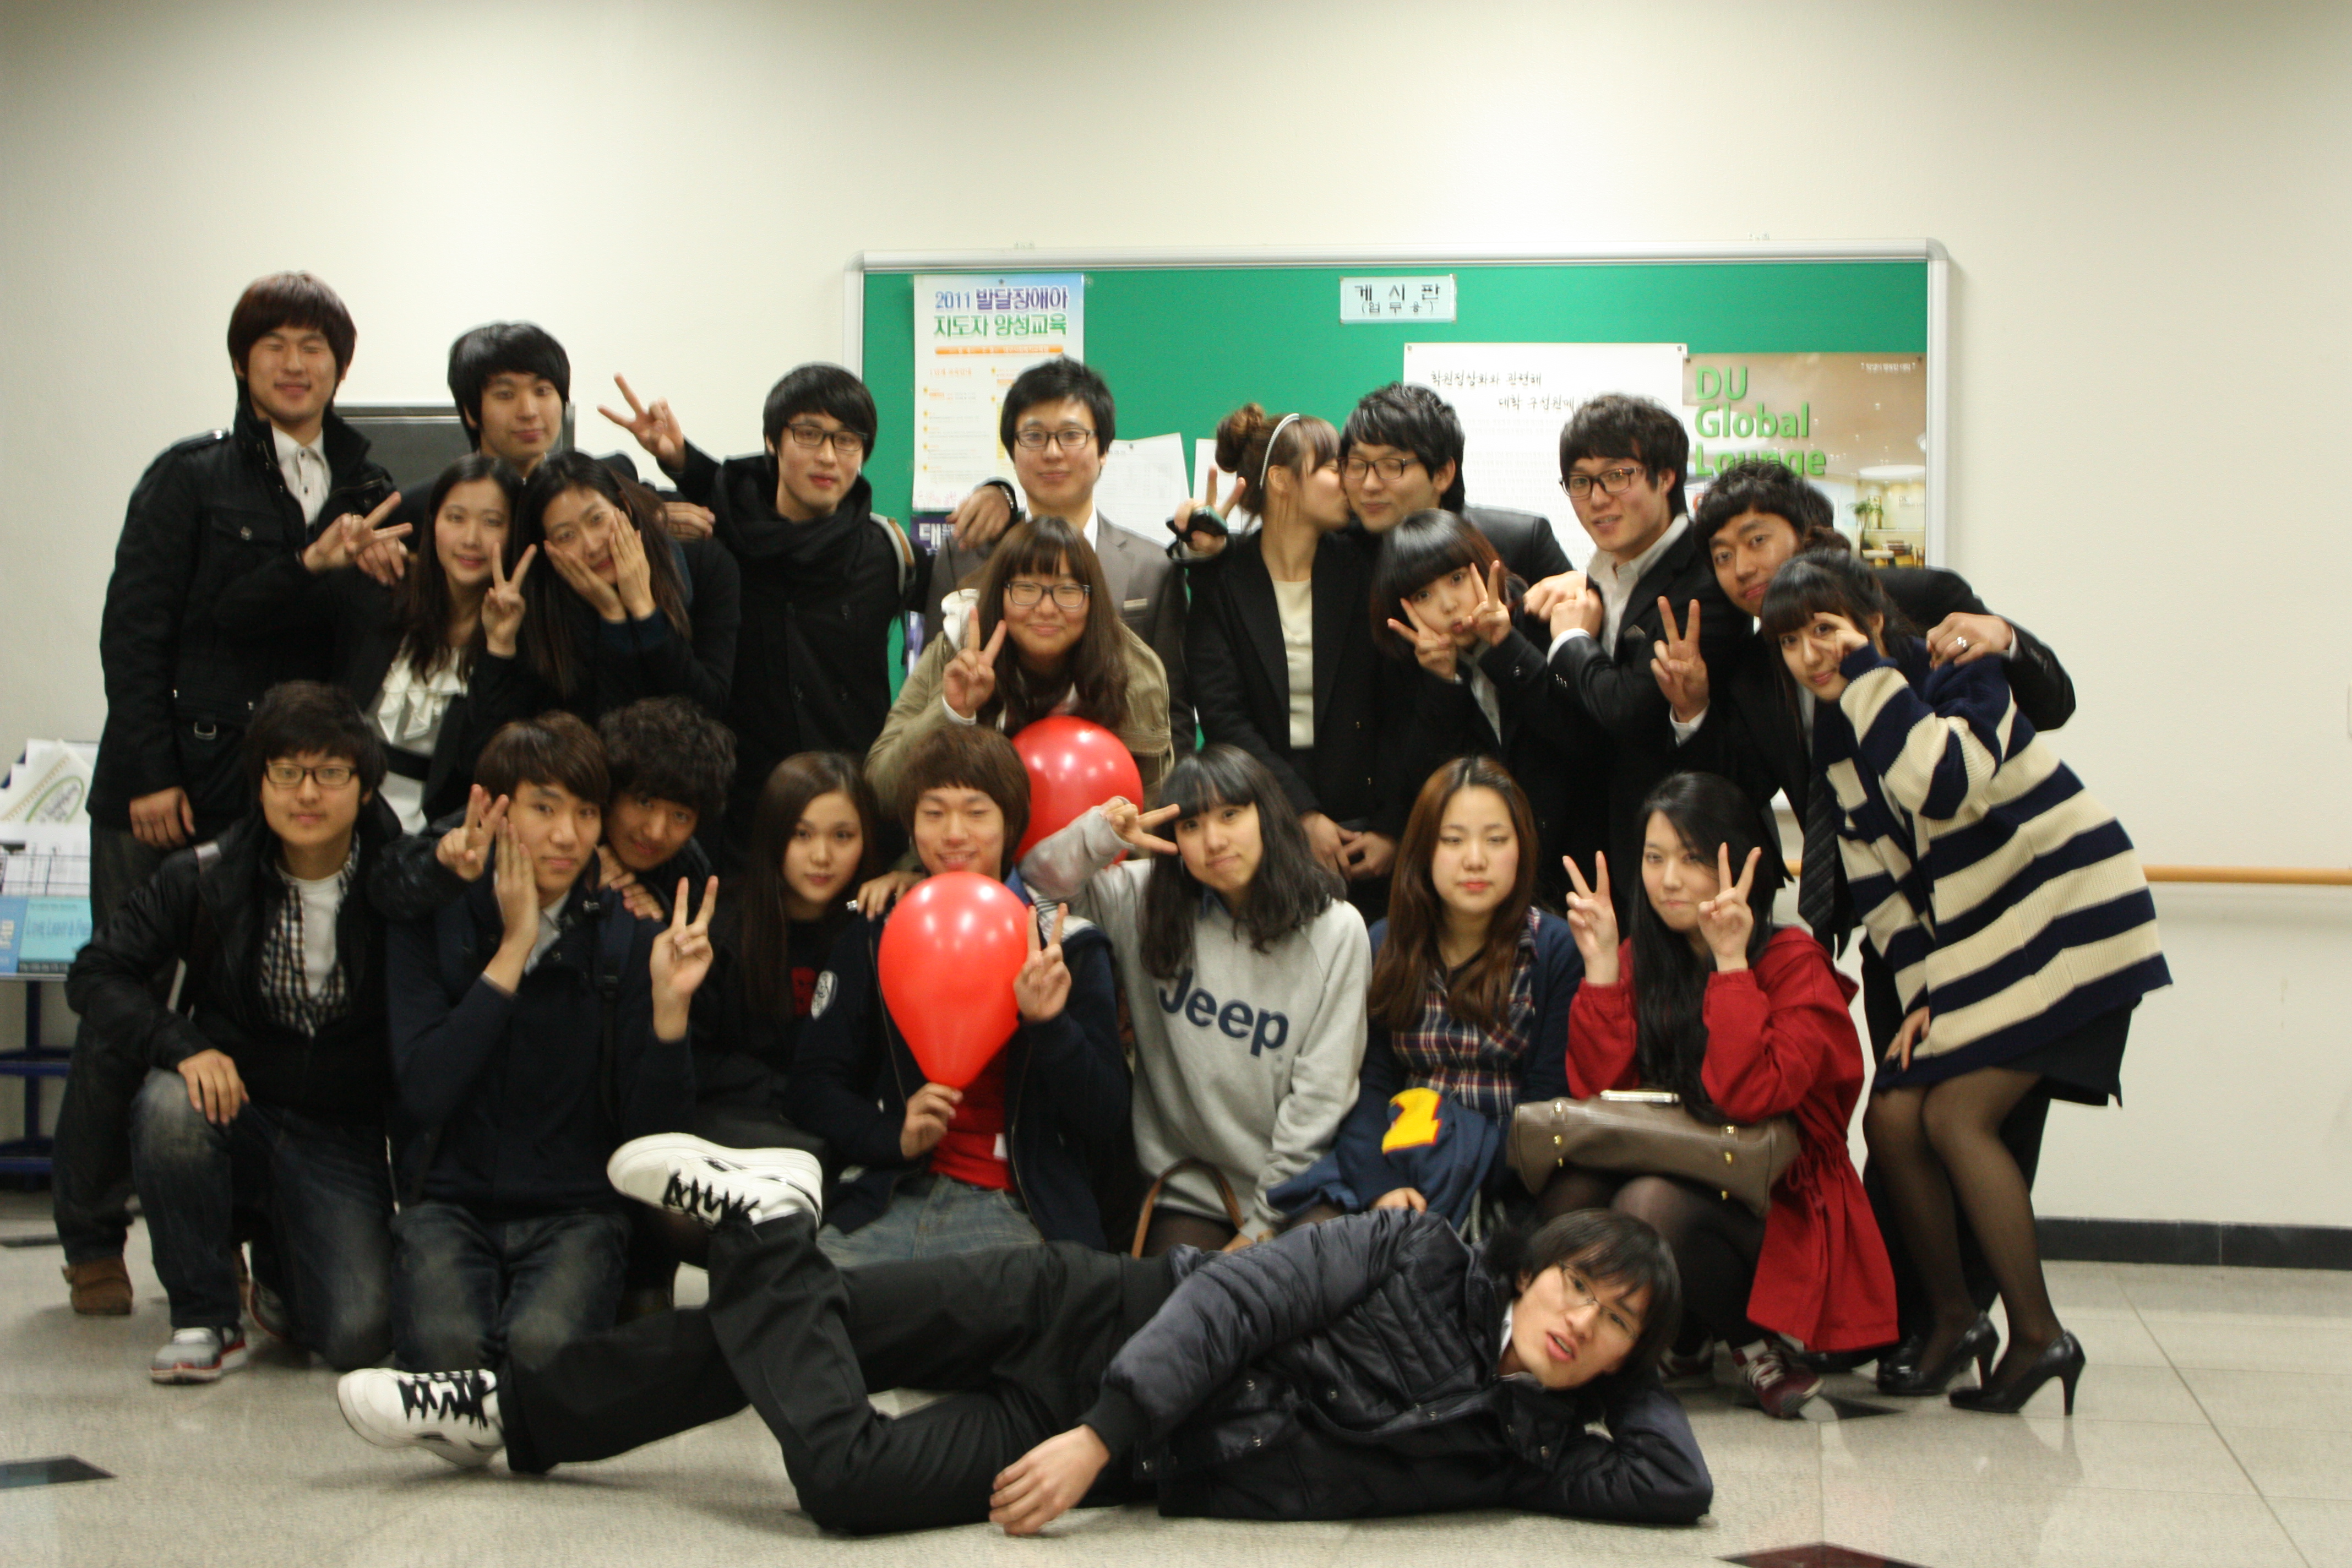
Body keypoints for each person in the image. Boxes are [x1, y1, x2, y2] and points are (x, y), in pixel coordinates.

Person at [337, 1148, 1711, 1536]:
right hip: (1092, 1313)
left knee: (844, 1469)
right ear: (1532, 1263)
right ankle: (514, 1412)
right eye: (1579, 1285)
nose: (1580, 1318)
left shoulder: (1525, 1445)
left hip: (1125, 1446)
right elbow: (1231, 1301)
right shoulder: (1412, 1250)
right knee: (809, 1328)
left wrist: (1632, 1373)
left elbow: (1675, 1482)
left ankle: (760, 1226)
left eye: (1616, 1324)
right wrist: (1100, 1432)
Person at [1660, 457, 2080, 1369]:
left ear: (1809, 533)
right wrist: (1690, 713)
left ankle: (1982, 1320)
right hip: (1890, 920)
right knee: (1896, 1118)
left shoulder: (1916, 599)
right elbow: (1748, 785)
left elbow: (2050, 705)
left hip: (1997, 912)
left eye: (1757, 540)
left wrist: (2008, 637)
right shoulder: (1752, 659)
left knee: (1976, 1121)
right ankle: (1927, 1316)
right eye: (1722, 554)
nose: (1740, 567)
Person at [1761, 551, 2170, 1414]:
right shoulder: (1839, 722)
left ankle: (2038, 1335)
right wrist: (1920, 997)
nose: (1811, 654)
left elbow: (1943, 784)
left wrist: (1870, 676)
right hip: (1985, 948)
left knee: (1956, 1116)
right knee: (1894, 1115)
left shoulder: (1959, 674)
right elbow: (1879, 878)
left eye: (1826, 629)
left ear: (1874, 620)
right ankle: (1956, 1320)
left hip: (2072, 925)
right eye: (1792, 641)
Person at [65, 271, 398, 1316]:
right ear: (244, 363)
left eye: (315, 347)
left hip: (283, 786)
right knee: (127, 1010)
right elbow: (142, 630)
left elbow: (357, 646)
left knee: (251, 1010)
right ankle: (90, 1235)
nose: (296, 364)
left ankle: (245, 1237)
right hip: (174, 778)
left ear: (340, 366)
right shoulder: (191, 478)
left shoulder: (368, 486)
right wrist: (149, 770)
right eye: (274, 345)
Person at [66, 683, 401, 1381]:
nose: (306, 793)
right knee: (169, 1102)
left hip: (340, 1133)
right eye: (286, 771)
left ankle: (280, 1267)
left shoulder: (399, 884)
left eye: (330, 772)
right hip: (236, 1105)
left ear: (366, 788)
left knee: (358, 1335)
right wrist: (185, 1046)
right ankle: (204, 1315)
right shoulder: (206, 873)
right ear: (260, 782)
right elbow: (97, 974)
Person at [1547, 771, 1896, 1418]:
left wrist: (1732, 965)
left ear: (1740, 864)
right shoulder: (1645, 955)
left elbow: (1750, 1096)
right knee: (1571, 1188)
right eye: (1655, 858)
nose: (1669, 880)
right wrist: (1601, 968)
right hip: (1681, 1166)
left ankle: (1753, 1341)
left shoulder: (1793, 962)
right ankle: (1649, 1337)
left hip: (1777, 1198)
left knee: (1649, 1203)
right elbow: (1600, 1097)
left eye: (1692, 858)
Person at [382, 712, 704, 1370]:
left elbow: (653, 1139)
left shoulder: (631, 937)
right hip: (448, 1202)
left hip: (577, 1212)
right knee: (447, 1354)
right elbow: (424, 1090)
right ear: (495, 810)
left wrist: (671, 1015)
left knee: (542, 1361)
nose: (567, 835)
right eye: (544, 808)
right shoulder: (434, 917)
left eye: (586, 813)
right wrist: (514, 949)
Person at [791, 726, 1128, 1262]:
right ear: (911, 825)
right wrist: (891, 1135)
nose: (954, 833)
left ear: (1009, 822)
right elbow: (813, 1083)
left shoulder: (1068, 947)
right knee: (806, 1298)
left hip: (1023, 1210)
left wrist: (1051, 1026)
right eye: (933, 813)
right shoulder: (877, 934)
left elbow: (1107, 1115)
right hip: (887, 1197)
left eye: (976, 813)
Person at [1020, 744, 1369, 1254]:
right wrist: (1100, 836)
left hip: (1300, 1189)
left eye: (1231, 815)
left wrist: (1260, 1227)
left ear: (1267, 816)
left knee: (1295, 1285)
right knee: (1181, 1294)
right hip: (1188, 1188)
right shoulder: (1147, 900)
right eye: (1192, 826)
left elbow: (1320, 1098)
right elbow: (1039, 886)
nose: (1214, 841)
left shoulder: (1335, 929)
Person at [599, 366, 924, 850]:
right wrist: (662, 498)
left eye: (847, 440)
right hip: (742, 818)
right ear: (773, 441)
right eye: (809, 434)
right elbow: (581, 500)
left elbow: (979, 583)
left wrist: (999, 496)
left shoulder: (887, 552)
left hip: (854, 813)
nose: (828, 456)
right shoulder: (722, 534)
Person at [211, 453, 527, 832]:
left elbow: (486, 769)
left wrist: (499, 648)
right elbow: (235, 616)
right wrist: (314, 560)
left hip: (441, 838)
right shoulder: (378, 590)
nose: (471, 539)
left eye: (492, 522)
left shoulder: (524, 635)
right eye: (456, 518)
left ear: (515, 533)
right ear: (433, 524)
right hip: (336, 815)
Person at [1524, 395, 1743, 922]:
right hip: (1597, 856)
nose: (1597, 499)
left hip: (1688, 866)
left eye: (1617, 476)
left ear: (1666, 477)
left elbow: (1628, 708)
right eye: (1581, 482)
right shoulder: (1602, 572)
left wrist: (1571, 640)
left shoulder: (1702, 582)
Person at [1335, 758, 1581, 1225]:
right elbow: (1367, 1085)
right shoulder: (1385, 942)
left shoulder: (1554, 949)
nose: (1475, 859)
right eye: (1453, 840)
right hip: (1398, 1167)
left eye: (1496, 839)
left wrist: (1456, 1167)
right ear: (1423, 849)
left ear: (1523, 847)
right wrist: (1381, 1186)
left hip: (1508, 1175)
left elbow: (1548, 1103)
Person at [1184, 404, 1409, 896]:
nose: (1349, 482)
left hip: (1366, 829)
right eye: (1332, 467)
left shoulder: (1366, 568)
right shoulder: (1221, 578)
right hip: (1264, 824)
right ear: (1282, 480)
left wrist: (1392, 826)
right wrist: (1301, 813)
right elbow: (1223, 716)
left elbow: (1399, 707)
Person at [927, 357, 1189, 741]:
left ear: (1103, 449)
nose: (1052, 452)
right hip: (988, 770)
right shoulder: (964, 556)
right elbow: (932, 695)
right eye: (1034, 436)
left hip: (1115, 774)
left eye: (1071, 435)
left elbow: (1172, 714)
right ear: (1012, 451)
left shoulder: (1153, 569)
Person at [867, 515, 1172, 813]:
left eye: (1068, 590)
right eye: (1026, 588)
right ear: (1000, 594)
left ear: (1093, 601)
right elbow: (881, 790)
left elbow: (1149, 809)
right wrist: (951, 712)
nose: (1046, 609)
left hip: (1100, 845)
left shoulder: (1131, 670)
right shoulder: (955, 650)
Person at [1373, 509, 1594, 907]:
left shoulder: (1539, 623)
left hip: (1571, 872)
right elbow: (1419, 794)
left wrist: (1506, 648)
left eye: (1457, 579)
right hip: (1472, 886)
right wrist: (1442, 685)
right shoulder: (1407, 670)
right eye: (1423, 596)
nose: (1448, 605)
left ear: (1483, 566)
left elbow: (1582, 739)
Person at [507, 450, 741, 722]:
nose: (591, 546)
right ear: (548, 548)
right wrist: (613, 617)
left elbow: (708, 706)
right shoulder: (545, 605)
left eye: (597, 519)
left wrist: (645, 610)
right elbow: (597, 727)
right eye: (566, 536)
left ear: (625, 507)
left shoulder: (704, 565)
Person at [1340, 381, 1571, 585]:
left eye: (1391, 465)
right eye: (1357, 464)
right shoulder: (1338, 551)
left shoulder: (1523, 543)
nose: (1369, 485)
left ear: (1442, 474)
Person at [594, 695, 733, 924]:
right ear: (611, 792)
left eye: (680, 816)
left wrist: (662, 922)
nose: (655, 833)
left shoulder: (692, 876)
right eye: (645, 803)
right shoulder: (564, 839)